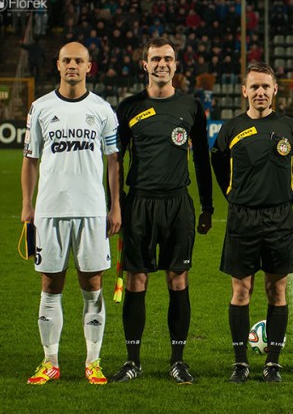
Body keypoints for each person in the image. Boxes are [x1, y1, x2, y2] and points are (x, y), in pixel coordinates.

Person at [110, 37, 213, 385]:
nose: (162, 64)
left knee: (178, 279)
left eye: (167, 58)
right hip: (138, 203)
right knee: (136, 280)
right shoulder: (128, 107)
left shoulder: (191, 106)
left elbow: (201, 159)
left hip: (177, 203)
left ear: (176, 64)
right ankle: (132, 361)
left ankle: (178, 361)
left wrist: (208, 205)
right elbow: (115, 161)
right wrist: (116, 204)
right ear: (145, 64)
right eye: (155, 59)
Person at [21, 41, 122, 385]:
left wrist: (115, 205)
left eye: (79, 61)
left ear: (89, 67)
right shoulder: (40, 107)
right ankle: (51, 361)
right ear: (58, 64)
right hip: (50, 211)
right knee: (50, 285)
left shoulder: (103, 110)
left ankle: (92, 362)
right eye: (67, 60)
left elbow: (113, 162)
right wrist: (27, 205)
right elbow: (30, 160)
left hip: (93, 211)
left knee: (92, 285)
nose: (72, 66)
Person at [211, 63, 293, 383]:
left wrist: (284, 198)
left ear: (275, 89)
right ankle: (240, 363)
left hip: (279, 217)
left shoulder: (291, 129)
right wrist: (234, 195)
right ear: (244, 91)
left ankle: (273, 364)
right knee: (241, 290)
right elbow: (219, 164)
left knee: (276, 290)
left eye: (266, 87)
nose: (260, 92)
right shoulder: (230, 129)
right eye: (254, 87)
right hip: (243, 218)